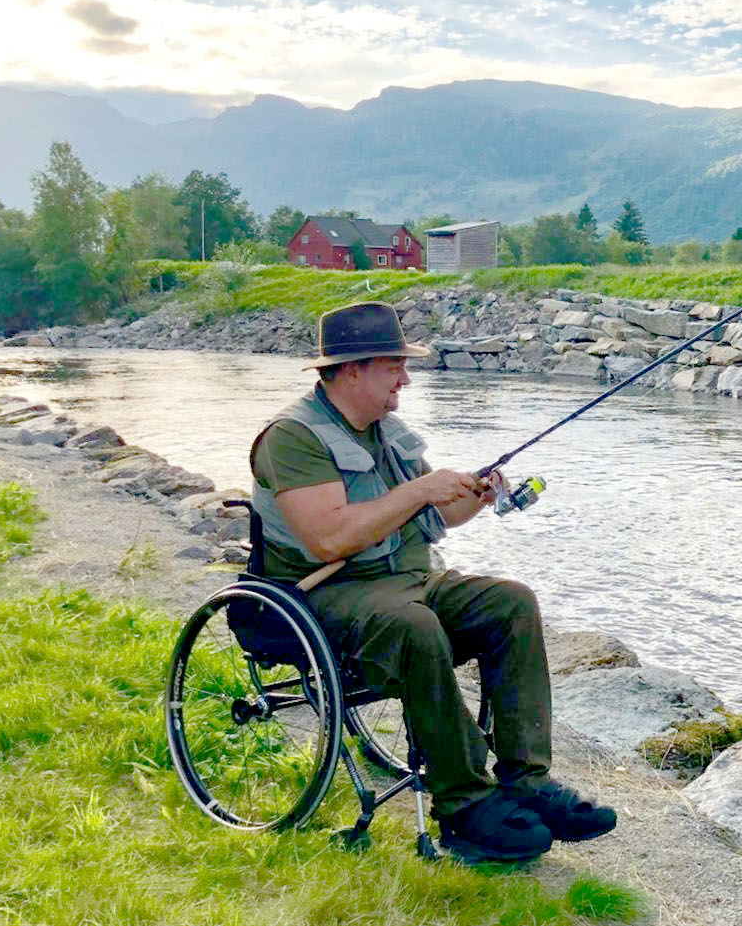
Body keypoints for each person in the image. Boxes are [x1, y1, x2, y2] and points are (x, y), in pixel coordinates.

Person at [249, 300, 615, 862]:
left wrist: (473, 494)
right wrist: (420, 489)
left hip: (411, 578)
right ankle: (466, 805)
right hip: (325, 596)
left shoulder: (387, 431)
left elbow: (434, 517)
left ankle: (526, 780)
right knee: (415, 627)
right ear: (353, 369)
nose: (406, 377)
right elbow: (327, 540)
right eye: (395, 365)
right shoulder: (292, 439)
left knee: (511, 602)